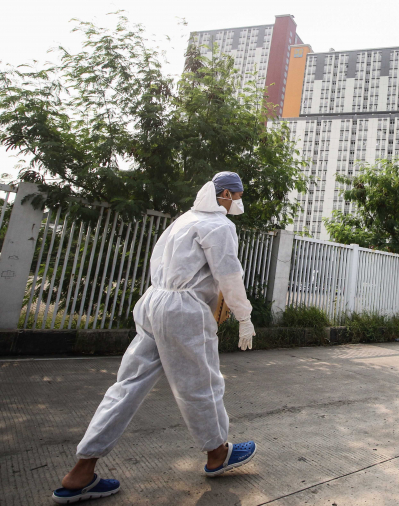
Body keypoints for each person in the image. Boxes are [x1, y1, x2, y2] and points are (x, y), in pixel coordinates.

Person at [52, 172, 258, 504]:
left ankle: (81, 472)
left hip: (153, 302)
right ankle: (217, 454)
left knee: (127, 385)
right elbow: (229, 274)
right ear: (225, 194)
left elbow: (158, 260)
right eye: (237, 194)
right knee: (201, 383)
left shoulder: (184, 219)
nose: (239, 200)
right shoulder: (220, 226)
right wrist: (244, 316)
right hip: (182, 310)